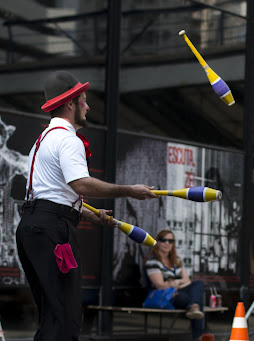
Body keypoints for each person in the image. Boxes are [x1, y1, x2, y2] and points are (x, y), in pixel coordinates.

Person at [16, 70, 158, 341]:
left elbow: (49, 193)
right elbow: (81, 184)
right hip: (53, 232)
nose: (88, 106)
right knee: (65, 317)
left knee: (53, 312)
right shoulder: (68, 140)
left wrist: (87, 213)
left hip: (33, 228)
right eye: (83, 100)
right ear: (70, 103)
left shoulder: (42, 140)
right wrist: (130, 191)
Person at [144, 229, 205, 341]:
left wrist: (172, 283)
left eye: (170, 241)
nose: (167, 243)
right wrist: (178, 282)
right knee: (193, 299)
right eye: (163, 240)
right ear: (157, 242)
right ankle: (199, 336)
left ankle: (193, 307)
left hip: (177, 293)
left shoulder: (177, 260)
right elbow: (160, 285)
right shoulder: (152, 262)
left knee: (199, 284)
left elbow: (187, 281)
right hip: (165, 296)